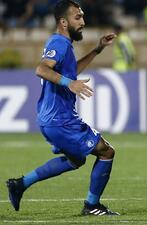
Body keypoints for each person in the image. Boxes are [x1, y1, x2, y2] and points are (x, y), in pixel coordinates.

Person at [6, 0, 119, 216]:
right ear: (63, 22)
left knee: (76, 160)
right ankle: (92, 205)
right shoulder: (58, 43)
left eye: (82, 17)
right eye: (78, 17)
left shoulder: (64, 45)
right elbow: (41, 69)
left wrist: (97, 50)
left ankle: (20, 184)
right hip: (61, 119)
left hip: (52, 119)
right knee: (106, 151)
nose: (83, 22)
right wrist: (70, 84)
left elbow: (71, 71)